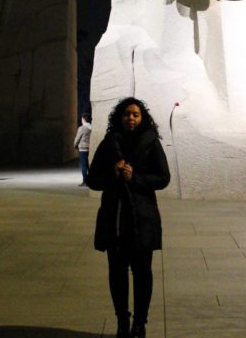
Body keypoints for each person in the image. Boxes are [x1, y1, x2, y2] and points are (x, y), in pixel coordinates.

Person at [87, 98, 170, 338]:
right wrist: (113, 175)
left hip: (141, 220)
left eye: (135, 114)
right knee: (117, 273)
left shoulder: (150, 142)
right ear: (119, 117)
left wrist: (135, 177)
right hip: (115, 220)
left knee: (143, 273)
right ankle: (122, 321)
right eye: (126, 114)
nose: (130, 119)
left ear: (142, 117)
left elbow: (163, 178)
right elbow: (93, 179)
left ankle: (139, 324)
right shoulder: (109, 143)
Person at [73, 113, 92, 186]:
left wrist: (75, 145)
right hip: (88, 148)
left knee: (83, 166)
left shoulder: (82, 128)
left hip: (82, 149)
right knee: (87, 165)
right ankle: (90, 179)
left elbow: (77, 138)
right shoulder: (90, 128)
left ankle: (85, 181)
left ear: (83, 119)